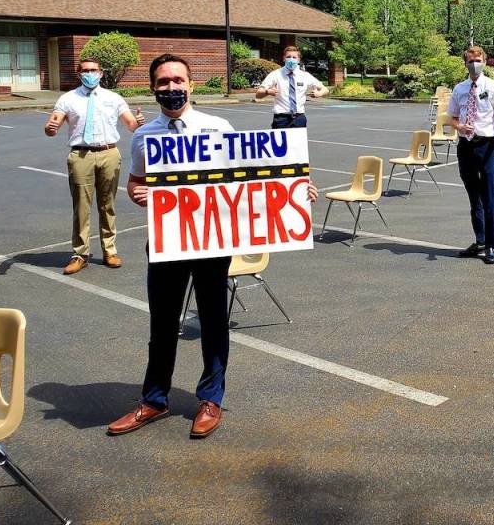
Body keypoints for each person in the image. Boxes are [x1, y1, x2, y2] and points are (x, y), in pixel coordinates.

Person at [108, 53, 318, 440]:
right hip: (169, 241)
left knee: (214, 322)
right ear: (154, 88)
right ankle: (154, 399)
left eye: (178, 80)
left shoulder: (217, 126)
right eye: (163, 82)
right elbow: (136, 181)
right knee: (163, 324)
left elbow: (252, 177)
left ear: (191, 84)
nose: (171, 88)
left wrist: (293, 189)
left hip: (210, 241)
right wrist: (138, 194)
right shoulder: (144, 137)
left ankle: (210, 399)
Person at [44, 58, 144, 276]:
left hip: (109, 153)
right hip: (81, 155)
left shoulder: (113, 98)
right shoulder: (68, 99)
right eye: (86, 70)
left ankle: (110, 251)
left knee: (107, 204)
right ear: (79, 74)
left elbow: (131, 125)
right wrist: (50, 128)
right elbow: (53, 125)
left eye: (94, 70)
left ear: (101, 73)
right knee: (81, 205)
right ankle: (80, 254)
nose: (90, 73)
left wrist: (140, 122)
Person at [448, 46, 494, 265]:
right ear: (465, 63)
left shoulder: (493, 87)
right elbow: (452, 118)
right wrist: (460, 128)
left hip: (486, 146)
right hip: (465, 146)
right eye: (470, 60)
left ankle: (492, 246)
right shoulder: (459, 89)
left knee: (489, 199)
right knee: (473, 197)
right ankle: (480, 240)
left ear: (484, 62)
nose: (474, 64)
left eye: (478, 60)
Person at [256, 45, 328, 129]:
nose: (291, 59)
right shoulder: (275, 74)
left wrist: (319, 93)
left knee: (298, 142)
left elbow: (325, 89)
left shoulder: (305, 76)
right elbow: (258, 94)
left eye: (294, 57)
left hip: (299, 118)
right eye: (288, 57)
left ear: (298, 60)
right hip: (281, 118)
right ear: (284, 58)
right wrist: (268, 92)